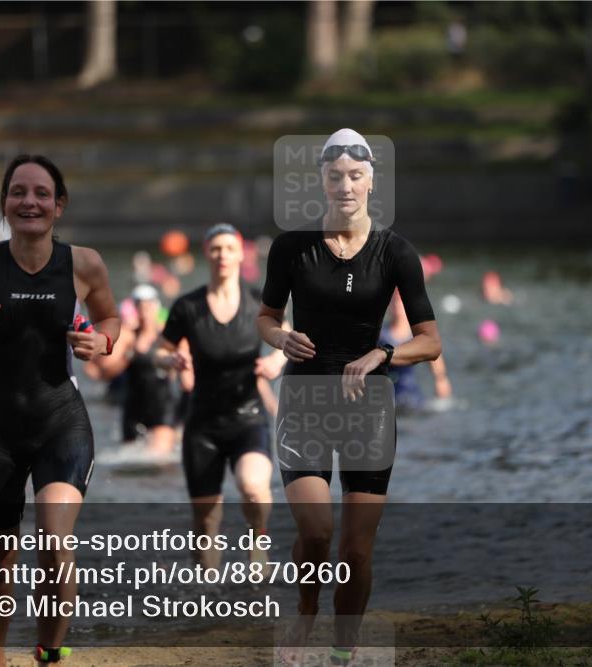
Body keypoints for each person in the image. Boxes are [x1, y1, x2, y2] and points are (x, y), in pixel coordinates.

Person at [0, 155, 119, 667]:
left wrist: (102, 340)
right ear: (4, 203)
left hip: (62, 423)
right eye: (17, 192)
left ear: (59, 204)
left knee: (55, 543)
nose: (28, 201)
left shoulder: (84, 263)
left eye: (40, 193)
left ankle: (49, 654)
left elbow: (112, 316)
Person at [258, 129, 441, 666]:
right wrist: (279, 336)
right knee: (316, 535)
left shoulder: (396, 252)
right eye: (335, 176)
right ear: (321, 180)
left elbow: (430, 342)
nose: (345, 185)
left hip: (369, 412)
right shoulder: (292, 246)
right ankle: (307, 611)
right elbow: (266, 318)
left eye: (355, 176)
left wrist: (384, 353)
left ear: (371, 182)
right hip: (304, 404)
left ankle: (343, 644)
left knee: (356, 551)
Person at [158, 223, 287, 569]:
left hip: (248, 417)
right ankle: (208, 605)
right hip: (202, 424)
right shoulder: (187, 306)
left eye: (229, 248)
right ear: (206, 253)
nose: (222, 255)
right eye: (216, 249)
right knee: (205, 524)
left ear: (240, 253)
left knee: (253, 486)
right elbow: (159, 349)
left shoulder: (259, 301)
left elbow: (288, 333)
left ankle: (258, 537)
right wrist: (169, 359)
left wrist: (277, 357)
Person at [85, 284, 183, 455]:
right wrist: (128, 355)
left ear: (156, 307)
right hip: (133, 406)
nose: (145, 311)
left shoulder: (166, 334)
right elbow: (106, 371)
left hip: (163, 404)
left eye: (149, 306)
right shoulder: (127, 336)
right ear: (136, 309)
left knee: (158, 457)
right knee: (131, 457)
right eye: (141, 306)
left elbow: (184, 366)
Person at [381, 291, 452, 413]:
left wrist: (441, 379)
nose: (398, 305)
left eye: (401, 302)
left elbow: (433, 355)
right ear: (389, 305)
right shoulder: (380, 335)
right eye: (395, 301)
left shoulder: (418, 335)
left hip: (413, 398)